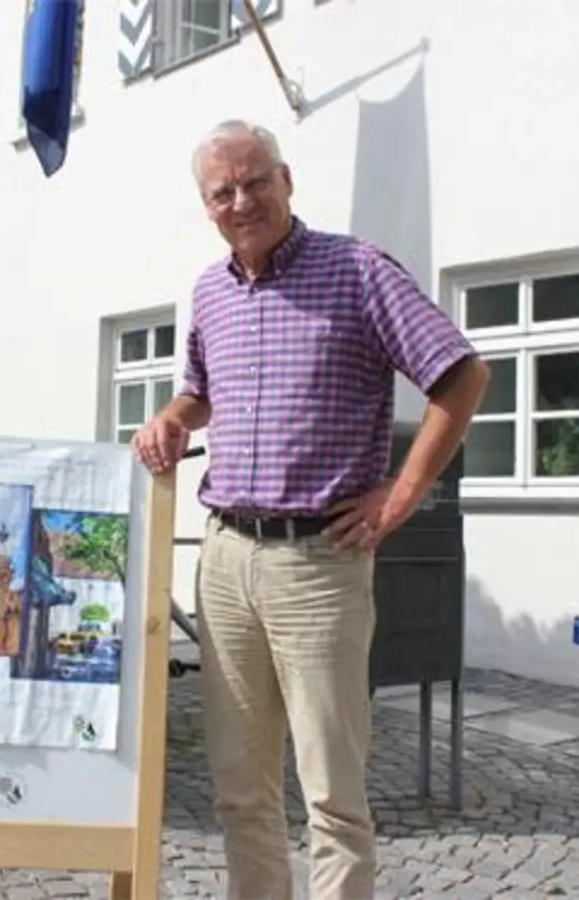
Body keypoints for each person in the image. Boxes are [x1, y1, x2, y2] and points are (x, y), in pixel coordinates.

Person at [132, 120, 490, 900]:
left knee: (331, 795)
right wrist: (171, 417)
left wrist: (403, 494)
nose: (241, 200)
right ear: (207, 206)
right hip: (225, 560)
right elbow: (202, 393)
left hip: (318, 566)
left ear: (287, 180)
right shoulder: (209, 291)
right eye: (222, 190)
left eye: (255, 180)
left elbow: (461, 376)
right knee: (240, 789)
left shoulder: (357, 270)